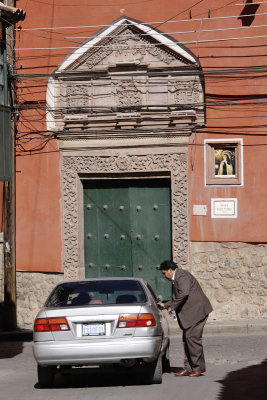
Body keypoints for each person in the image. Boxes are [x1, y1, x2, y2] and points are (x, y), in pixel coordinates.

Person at [157, 260, 213, 377]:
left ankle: (198, 368)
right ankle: (189, 367)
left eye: (164, 273)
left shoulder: (182, 275)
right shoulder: (178, 277)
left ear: (170, 270)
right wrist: (166, 304)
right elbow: (180, 296)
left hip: (197, 312)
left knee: (192, 338)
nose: (164, 276)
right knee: (187, 339)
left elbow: (184, 293)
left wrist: (171, 307)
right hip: (191, 313)